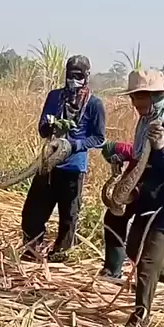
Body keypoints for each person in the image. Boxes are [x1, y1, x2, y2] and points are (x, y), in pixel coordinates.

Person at [99, 69, 164, 327]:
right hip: (149, 200)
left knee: (148, 264)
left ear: (156, 96)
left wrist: (162, 146)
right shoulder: (146, 123)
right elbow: (142, 159)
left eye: (141, 97)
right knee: (134, 250)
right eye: (134, 97)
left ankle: (139, 320)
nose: (136, 103)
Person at [21, 55, 105, 261]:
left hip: (73, 168)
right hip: (48, 165)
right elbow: (42, 129)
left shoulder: (94, 104)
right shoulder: (55, 97)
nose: (73, 80)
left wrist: (75, 145)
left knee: (69, 215)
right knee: (32, 211)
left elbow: (99, 138)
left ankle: (60, 255)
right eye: (70, 75)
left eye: (78, 76)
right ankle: (32, 250)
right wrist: (49, 126)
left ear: (86, 77)